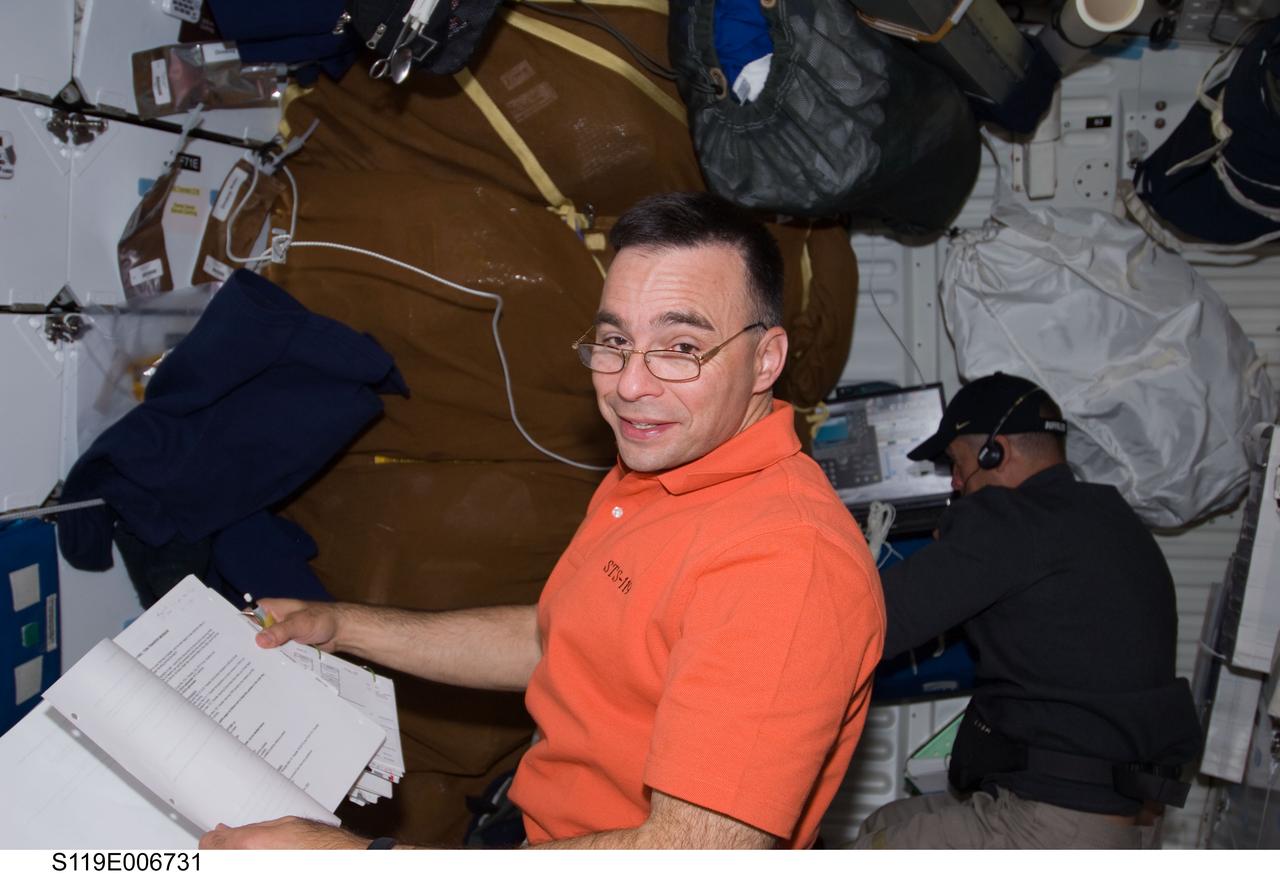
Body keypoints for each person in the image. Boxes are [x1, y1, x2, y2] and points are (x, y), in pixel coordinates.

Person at [200, 192, 885, 850]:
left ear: (767, 358)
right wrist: (344, 626)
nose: (630, 384)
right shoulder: (664, 462)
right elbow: (559, 638)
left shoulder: (785, 564)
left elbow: (690, 850)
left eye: (681, 348)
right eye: (616, 340)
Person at [851, 372, 1202, 850]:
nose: (954, 482)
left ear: (997, 452)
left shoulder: (1009, 521)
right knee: (884, 823)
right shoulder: (1114, 519)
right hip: (1126, 817)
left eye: (956, 464)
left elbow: (866, 621)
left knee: (874, 846)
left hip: (1056, 822)